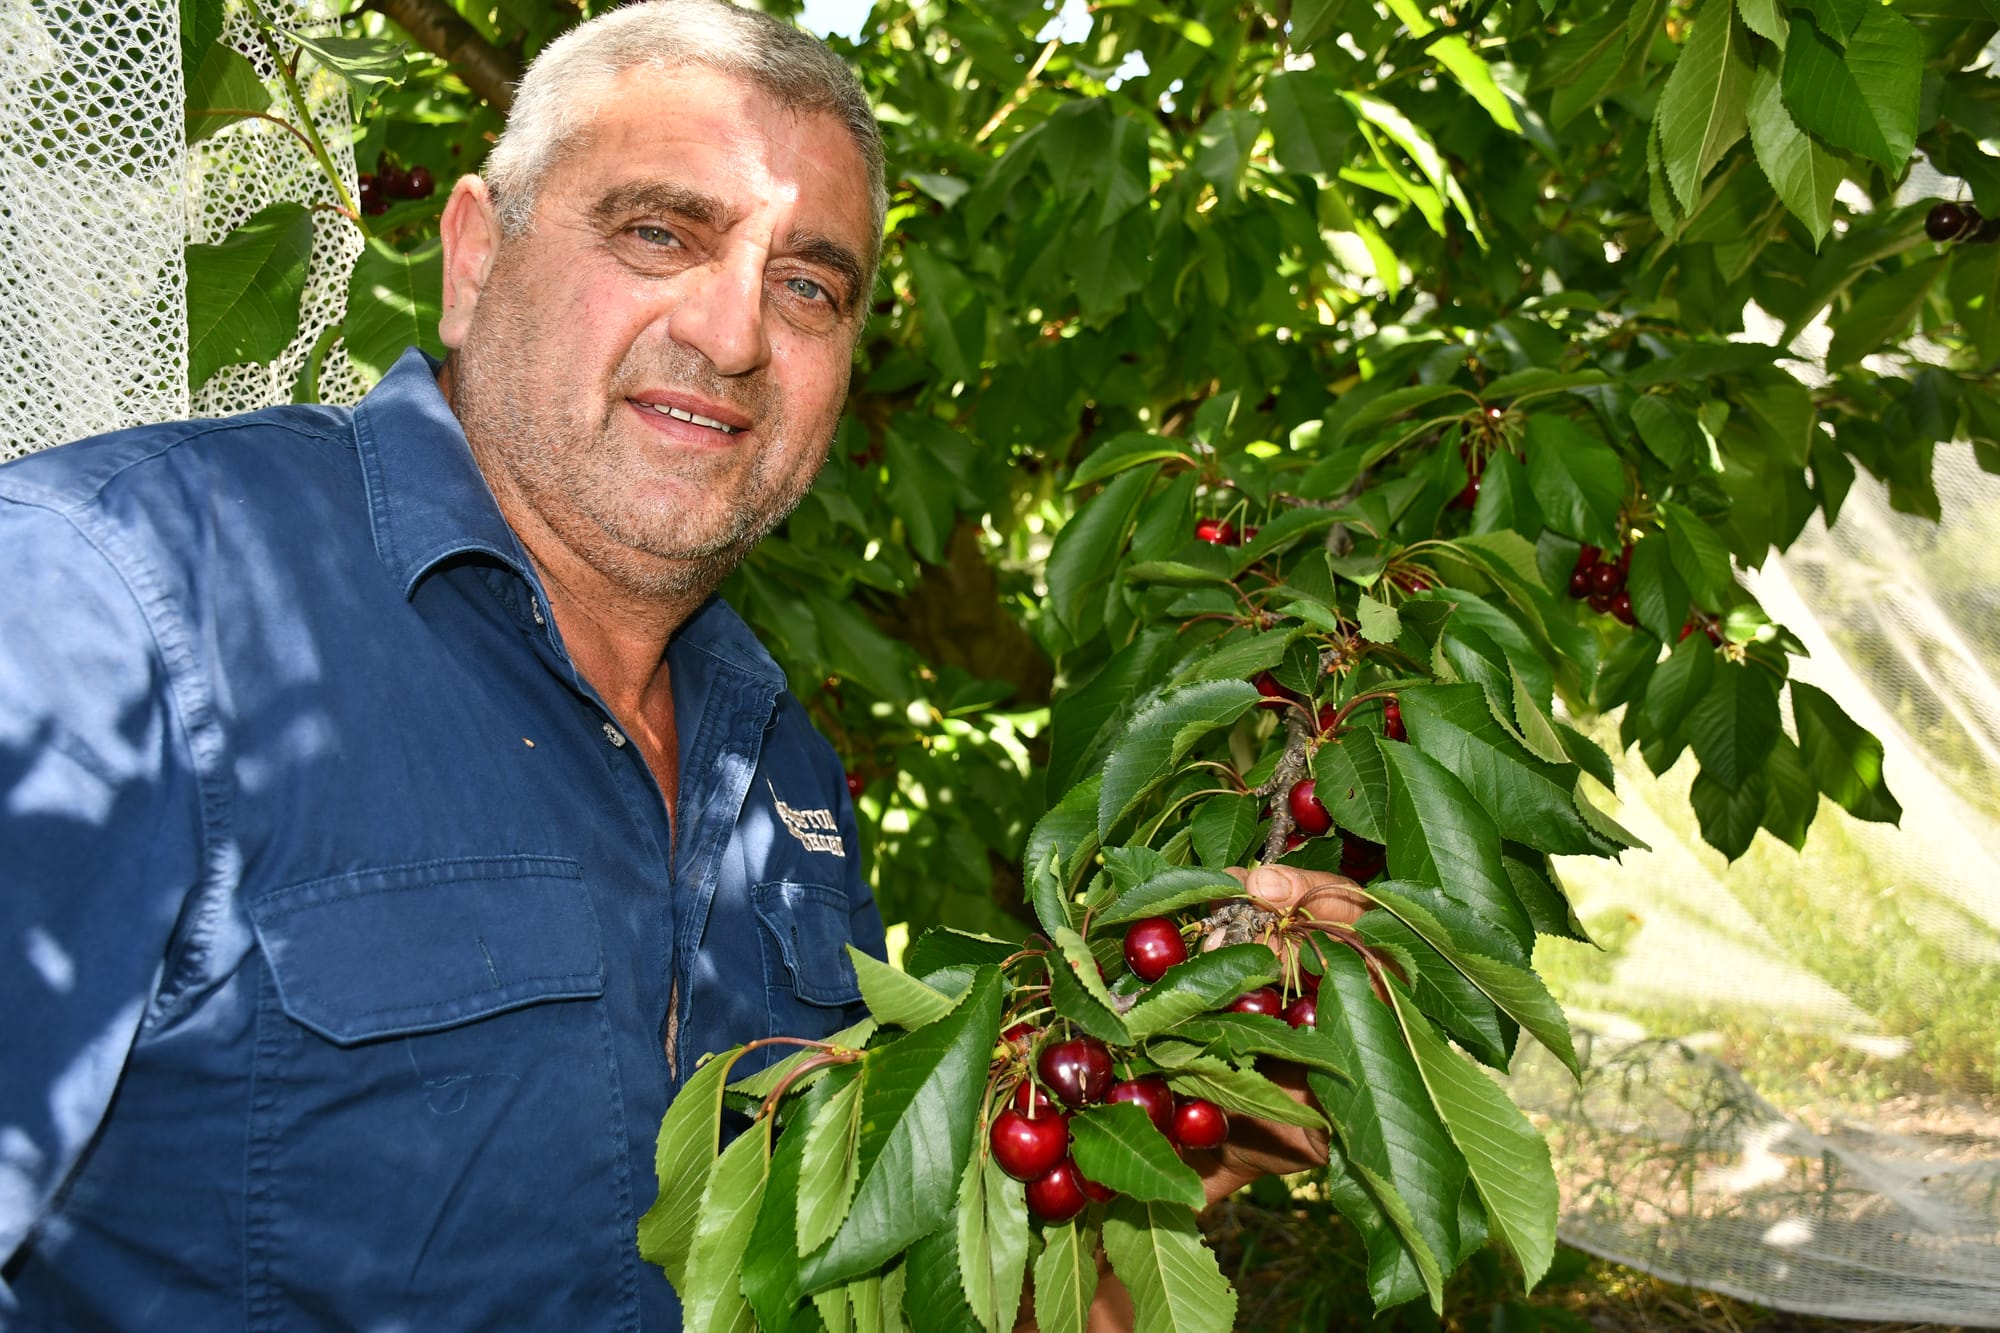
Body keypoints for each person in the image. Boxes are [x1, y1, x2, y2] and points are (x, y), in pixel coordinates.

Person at [0, 2, 1360, 1327]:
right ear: (472, 255)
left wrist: (1140, 1163)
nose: (734, 334)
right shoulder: (103, 604)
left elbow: (829, 1296)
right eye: (661, 232)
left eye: (810, 284)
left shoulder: (785, 777)